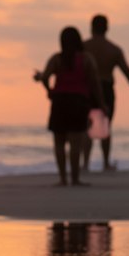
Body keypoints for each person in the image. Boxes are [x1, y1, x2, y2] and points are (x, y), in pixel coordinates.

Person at [35, 26, 103, 187]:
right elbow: (94, 83)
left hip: (59, 101)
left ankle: (63, 179)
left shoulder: (57, 59)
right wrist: (101, 103)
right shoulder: (86, 59)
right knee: (75, 143)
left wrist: (49, 90)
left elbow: (45, 76)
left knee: (59, 142)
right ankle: (75, 179)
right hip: (78, 101)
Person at [83, 14, 129, 172]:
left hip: (87, 88)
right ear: (107, 28)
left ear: (91, 27)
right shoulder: (114, 49)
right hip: (106, 88)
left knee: (87, 126)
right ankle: (105, 163)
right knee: (105, 126)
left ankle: (85, 164)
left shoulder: (83, 47)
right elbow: (127, 72)